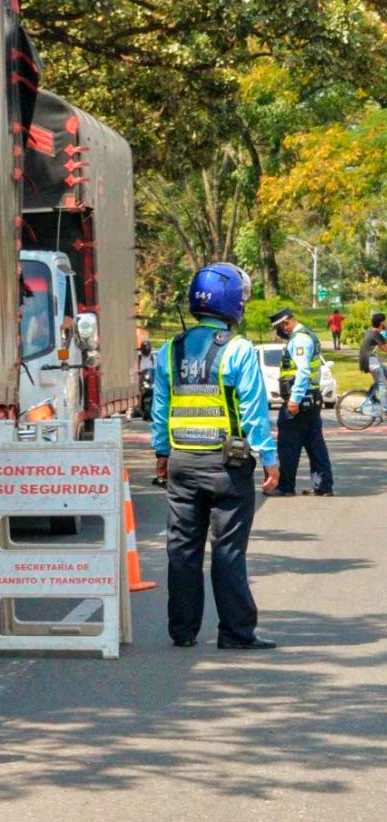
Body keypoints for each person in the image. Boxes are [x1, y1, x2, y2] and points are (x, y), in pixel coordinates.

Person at [152, 262, 280, 651]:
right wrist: (270, 459)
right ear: (232, 304)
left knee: (182, 549)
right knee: (227, 550)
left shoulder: (169, 350)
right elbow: (254, 411)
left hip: (182, 464)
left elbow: (160, 408)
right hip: (228, 466)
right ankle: (236, 633)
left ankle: (183, 631)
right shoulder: (238, 350)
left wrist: (162, 452)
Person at [270, 308, 333, 497]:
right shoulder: (307, 335)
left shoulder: (300, 340)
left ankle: (286, 486)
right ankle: (323, 487)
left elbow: (303, 371)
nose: (279, 331)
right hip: (311, 398)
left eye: (279, 327)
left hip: (299, 400)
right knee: (314, 443)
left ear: (286, 323)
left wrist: (294, 399)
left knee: (288, 444)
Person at [358, 311, 387, 414]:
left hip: (367, 360)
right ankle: (385, 410)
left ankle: (372, 394)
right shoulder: (376, 334)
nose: (386, 323)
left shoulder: (371, 331)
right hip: (371, 361)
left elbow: (382, 346)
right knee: (382, 384)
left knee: (385, 373)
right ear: (381, 323)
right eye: (385, 321)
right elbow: (385, 348)